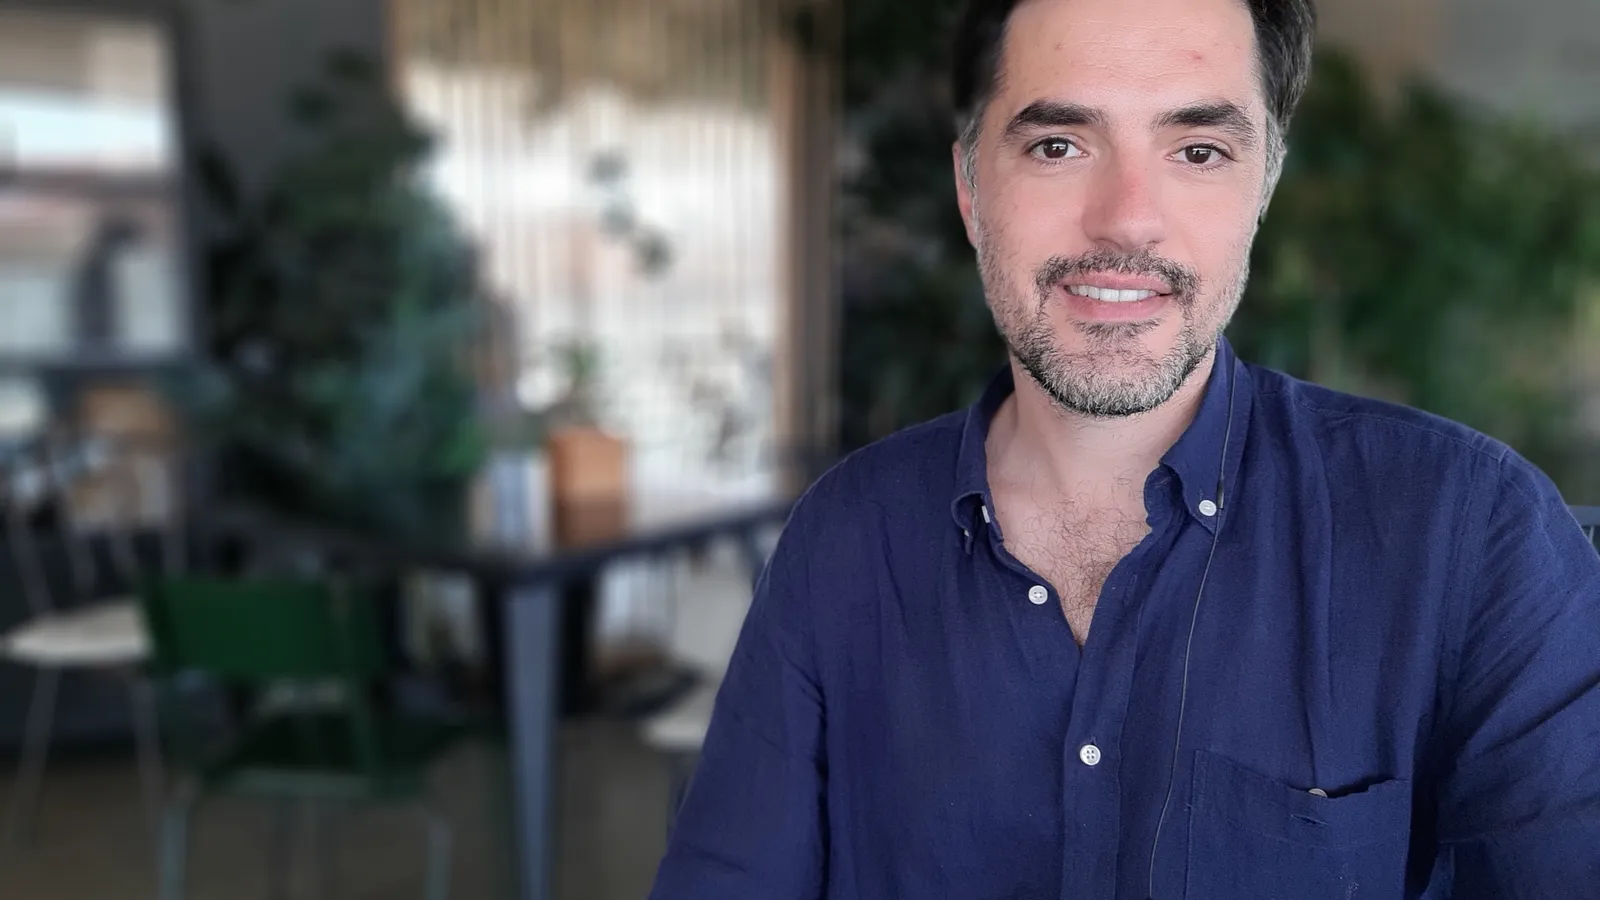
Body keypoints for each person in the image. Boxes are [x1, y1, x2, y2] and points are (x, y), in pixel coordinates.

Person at [648, 0, 1600, 896]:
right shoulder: (843, 541)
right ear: (971, 189)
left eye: (1198, 150)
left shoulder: (1474, 536)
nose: (1128, 219)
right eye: (1058, 145)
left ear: (1263, 186)